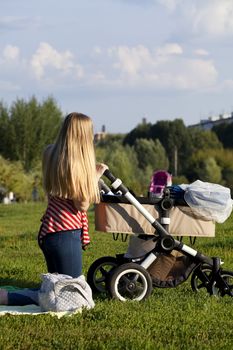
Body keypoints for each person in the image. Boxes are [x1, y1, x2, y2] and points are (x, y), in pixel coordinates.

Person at [0, 112, 108, 305]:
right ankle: (6, 297)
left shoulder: (50, 153)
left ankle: (9, 296)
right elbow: (81, 204)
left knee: (56, 286)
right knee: (70, 293)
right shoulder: (77, 164)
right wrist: (95, 176)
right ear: (83, 135)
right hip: (66, 233)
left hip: (49, 229)